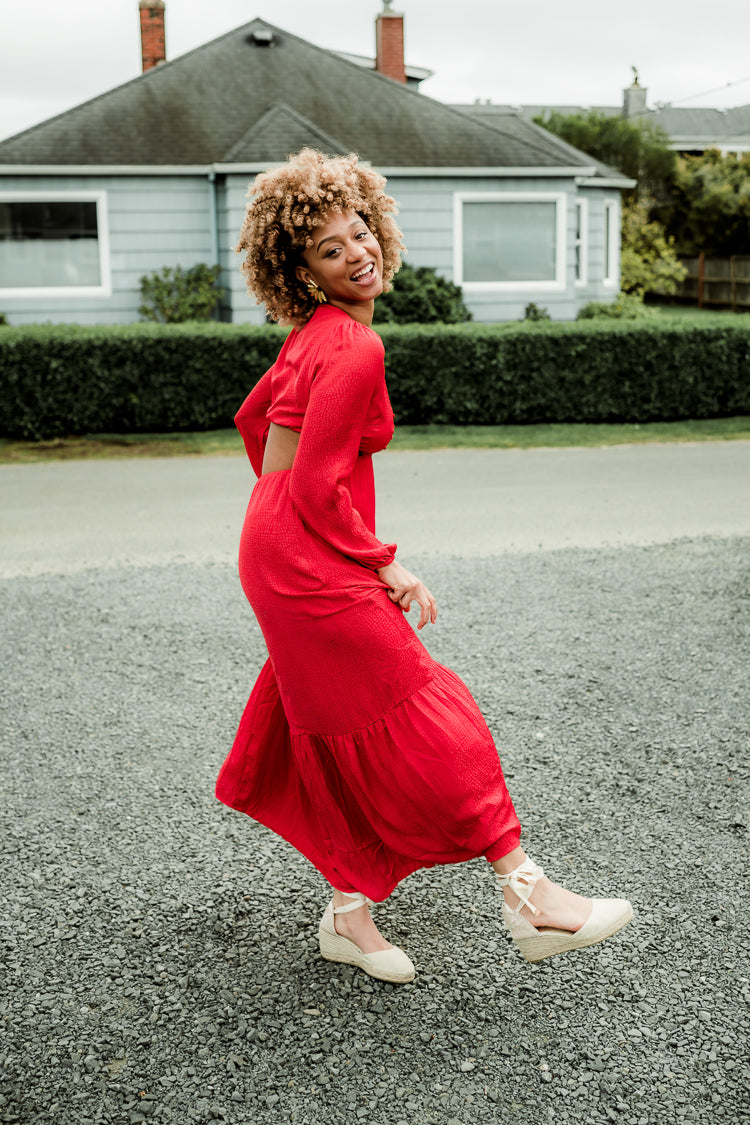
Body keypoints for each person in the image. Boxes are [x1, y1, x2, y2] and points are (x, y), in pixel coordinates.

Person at [215, 148, 632, 984]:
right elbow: (326, 486)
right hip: (306, 552)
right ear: (300, 271)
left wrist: (273, 506)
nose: (357, 251)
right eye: (330, 249)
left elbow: (253, 419)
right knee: (428, 707)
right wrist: (387, 568)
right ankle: (529, 893)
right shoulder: (350, 347)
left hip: (275, 543)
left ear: (378, 223)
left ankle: (347, 914)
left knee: (326, 722)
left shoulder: (321, 334)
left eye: (359, 229)